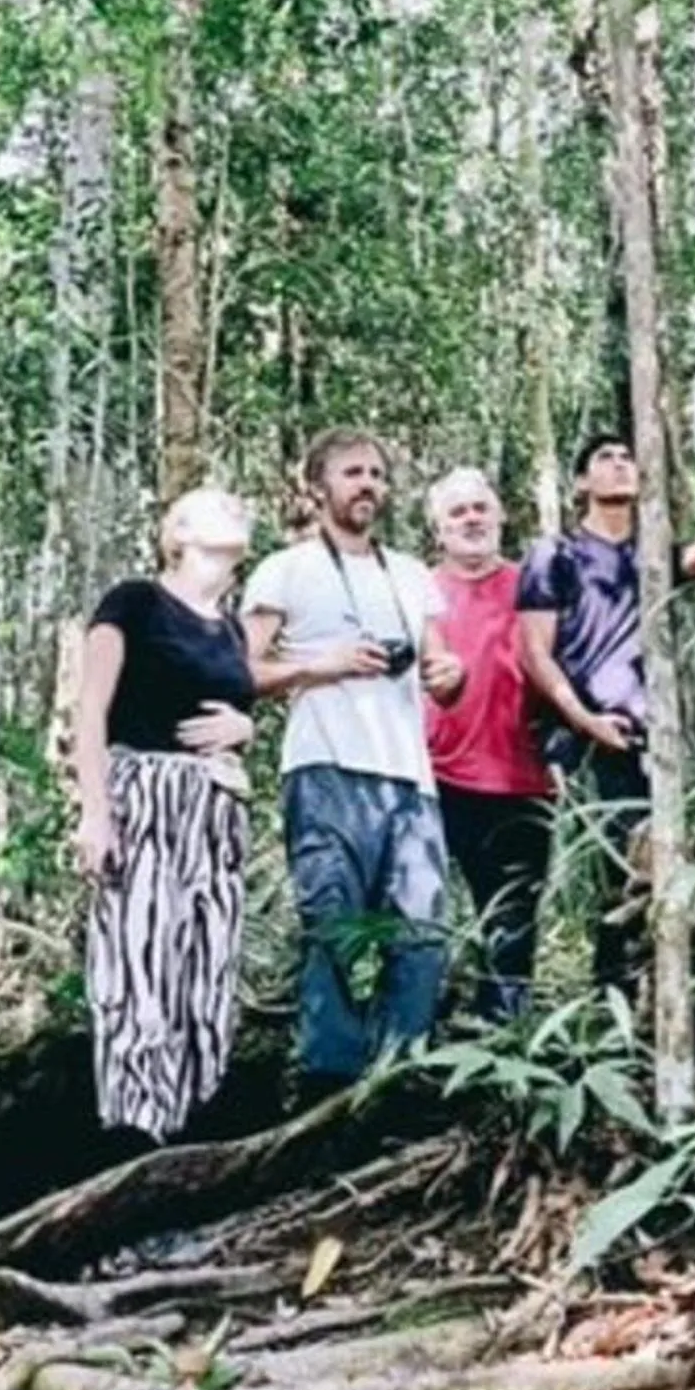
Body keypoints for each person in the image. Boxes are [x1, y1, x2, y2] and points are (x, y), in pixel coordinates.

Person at [242, 430, 465, 1093]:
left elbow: (441, 671)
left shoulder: (411, 575)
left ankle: (400, 1073)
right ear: (317, 488)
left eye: (375, 473)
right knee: (332, 927)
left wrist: (449, 674)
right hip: (323, 771)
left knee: (421, 933)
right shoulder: (285, 568)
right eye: (350, 473)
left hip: (409, 782)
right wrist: (322, 664)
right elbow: (238, 670)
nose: (366, 484)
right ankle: (326, 1083)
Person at [517, 433, 695, 990]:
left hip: (646, 737)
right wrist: (582, 720)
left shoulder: (653, 556)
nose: (619, 465)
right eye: (604, 459)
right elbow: (532, 652)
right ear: (580, 483)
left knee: (648, 871)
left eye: (627, 458)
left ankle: (639, 1001)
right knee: (597, 874)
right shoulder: (556, 555)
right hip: (583, 738)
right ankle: (588, 1007)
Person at [69, 487, 261, 1144]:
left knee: (206, 964)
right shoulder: (134, 602)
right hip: (142, 793)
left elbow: (239, 705)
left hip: (214, 805)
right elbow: (90, 707)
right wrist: (96, 812)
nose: (235, 507)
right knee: (139, 958)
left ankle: (192, 1123)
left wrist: (246, 727)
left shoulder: (232, 626)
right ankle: (131, 1128)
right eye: (214, 505)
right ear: (175, 532)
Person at [421, 467, 555, 1021]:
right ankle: (420, 1034)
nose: (471, 519)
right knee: (421, 916)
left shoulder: (536, 588)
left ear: (500, 517)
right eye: (457, 512)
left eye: (480, 508)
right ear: (438, 530)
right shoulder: (417, 591)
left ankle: (504, 1036)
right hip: (434, 779)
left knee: (513, 919)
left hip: (521, 780)